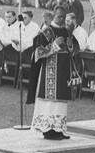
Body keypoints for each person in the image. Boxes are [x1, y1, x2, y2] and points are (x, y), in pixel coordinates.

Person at [28, 8, 80, 140]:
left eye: (63, 17)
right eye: (59, 17)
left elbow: (75, 49)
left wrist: (70, 46)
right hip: (49, 73)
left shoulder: (67, 31)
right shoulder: (46, 32)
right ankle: (48, 130)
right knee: (49, 103)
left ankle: (58, 129)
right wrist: (54, 45)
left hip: (63, 72)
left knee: (60, 102)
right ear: (53, 16)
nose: (61, 20)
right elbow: (37, 53)